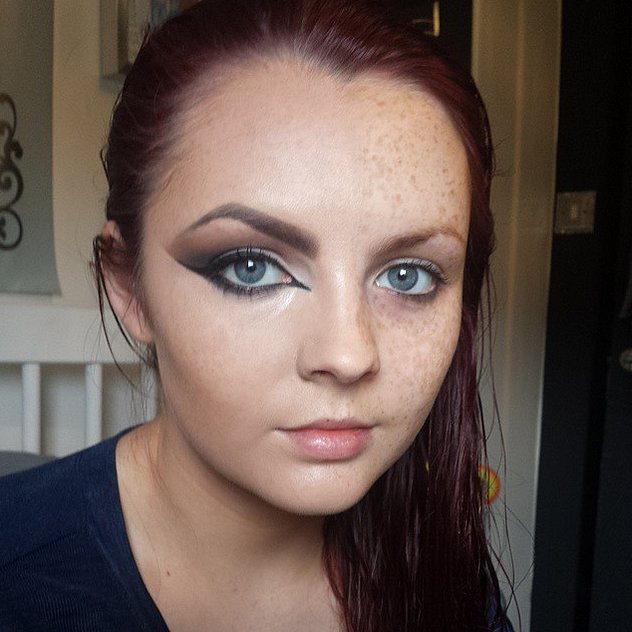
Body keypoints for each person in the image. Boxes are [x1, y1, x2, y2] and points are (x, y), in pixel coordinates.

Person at [0, 1, 514, 630]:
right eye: (251, 267)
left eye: (408, 275)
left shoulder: (442, 564)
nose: (348, 356)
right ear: (130, 287)